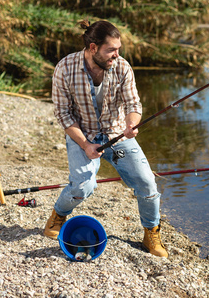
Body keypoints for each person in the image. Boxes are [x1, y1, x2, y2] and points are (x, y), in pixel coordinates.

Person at [44, 20, 168, 258]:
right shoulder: (65, 68)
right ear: (93, 48)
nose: (116, 55)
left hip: (118, 134)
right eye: (111, 50)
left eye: (118, 49)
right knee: (82, 186)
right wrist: (85, 145)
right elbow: (63, 114)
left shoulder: (122, 67)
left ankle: (151, 232)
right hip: (84, 134)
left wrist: (132, 122)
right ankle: (59, 214)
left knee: (147, 183)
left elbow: (133, 103)